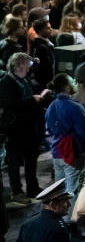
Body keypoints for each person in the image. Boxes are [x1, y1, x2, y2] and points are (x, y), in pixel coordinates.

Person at [0, 52, 44, 201]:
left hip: (29, 128)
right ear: (18, 65)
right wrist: (32, 100)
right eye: (27, 64)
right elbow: (10, 105)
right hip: (16, 129)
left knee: (31, 159)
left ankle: (33, 187)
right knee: (14, 162)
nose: (29, 67)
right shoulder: (7, 82)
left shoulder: (24, 79)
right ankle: (17, 192)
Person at [44, 73, 85, 201]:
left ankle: (59, 218)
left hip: (56, 153)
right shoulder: (75, 107)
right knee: (72, 191)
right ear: (66, 87)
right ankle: (70, 219)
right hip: (73, 154)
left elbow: (47, 131)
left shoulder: (51, 107)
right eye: (72, 82)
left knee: (59, 190)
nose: (75, 84)